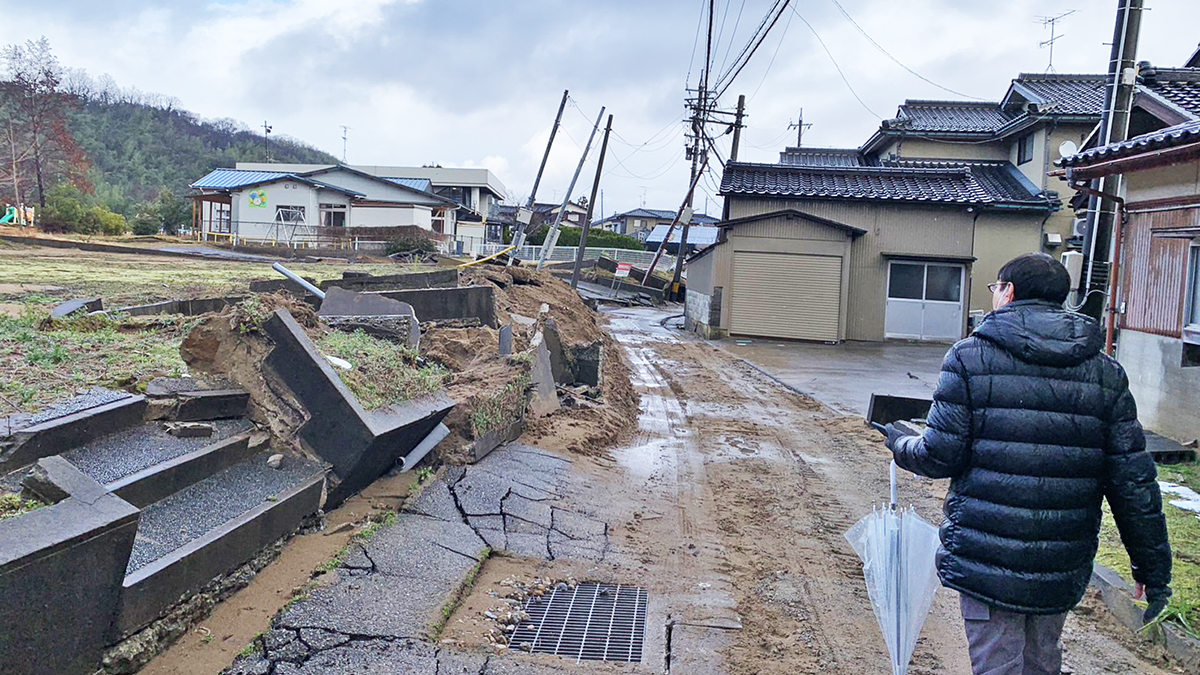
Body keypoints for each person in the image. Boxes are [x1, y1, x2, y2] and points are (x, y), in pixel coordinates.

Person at [884, 253, 1172, 675]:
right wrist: (1152, 568)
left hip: (985, 560)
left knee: (996, 665)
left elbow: (938, 455)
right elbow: (1133, 479)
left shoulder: (968, 358)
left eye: (995, 287)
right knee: (1042, 662)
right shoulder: (1105, 371)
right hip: (1061, 562)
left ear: (1009, 292)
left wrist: (900, 443)